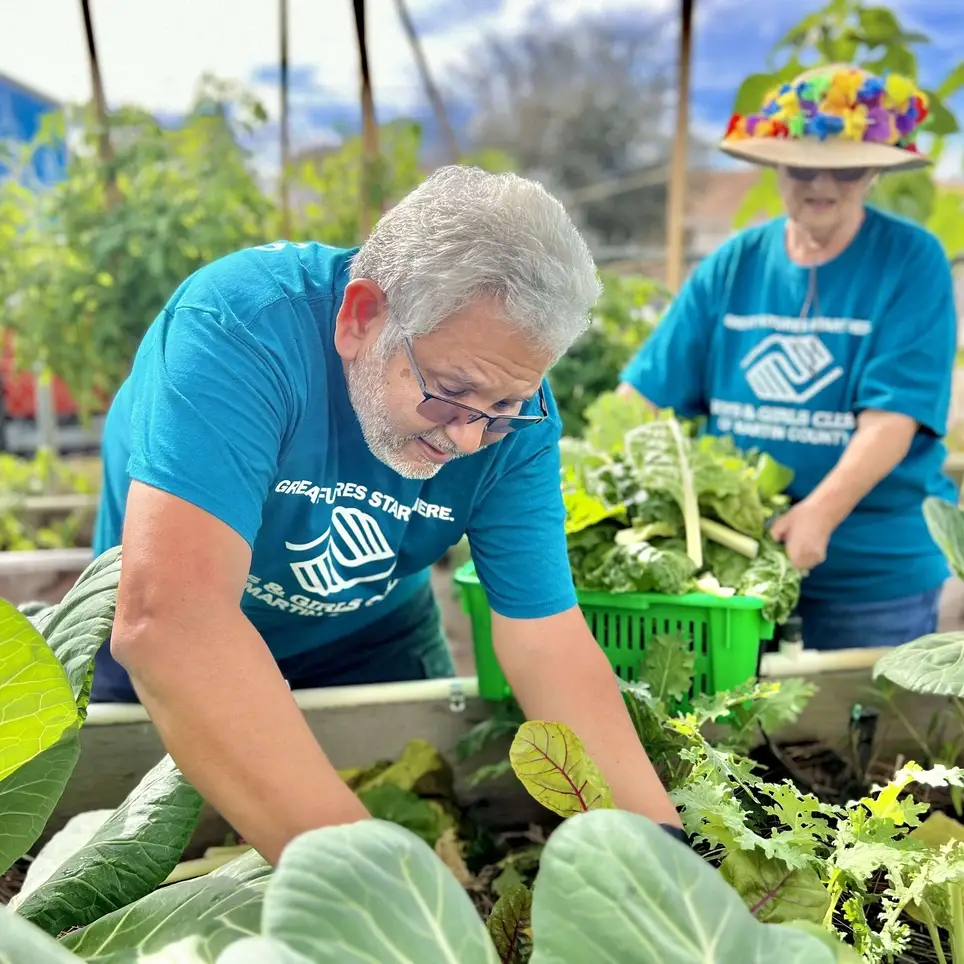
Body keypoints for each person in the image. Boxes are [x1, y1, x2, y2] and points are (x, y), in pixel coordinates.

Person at [91, 165, 682, 865]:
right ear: (360, 318)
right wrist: (375, 887)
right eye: (451, 392)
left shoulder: (515, 420)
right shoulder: (240, 330)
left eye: (501, 411)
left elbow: (546, 638)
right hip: (186, 657)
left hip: (372, 644)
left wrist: (666, 847)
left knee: (423, 816)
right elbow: (173, 620)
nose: (467, 437)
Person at [619, 64, 958, 652]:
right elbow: (642, 399)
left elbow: (891, 421)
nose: (820, 183)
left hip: (871, 570)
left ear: (874, 170)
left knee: (863, 735)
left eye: (845, 171)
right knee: (727, 737)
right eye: (801, 166)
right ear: (777, 166)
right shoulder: (735, 262)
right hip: (734, 564)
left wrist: (820, 515)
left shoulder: (910, 260)